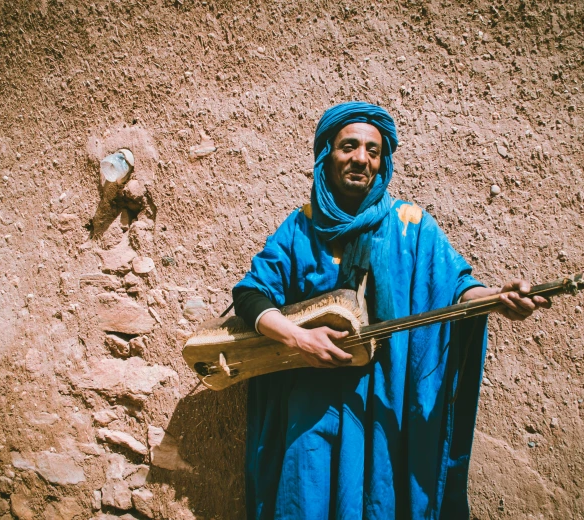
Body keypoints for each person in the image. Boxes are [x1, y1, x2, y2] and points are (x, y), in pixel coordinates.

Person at [232, 102, 550, 520]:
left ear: (383, 163)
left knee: (378, 500)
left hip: (385, 404)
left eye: (373, 150)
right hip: (311, 411)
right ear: (326, 154)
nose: (361, 158)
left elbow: (455, 287)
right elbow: (252, 293)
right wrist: (298, 337)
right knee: (304, 500)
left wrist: (495, 297)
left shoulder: (412, 226)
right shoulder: (301, 228)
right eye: (349, 146)